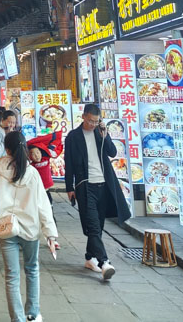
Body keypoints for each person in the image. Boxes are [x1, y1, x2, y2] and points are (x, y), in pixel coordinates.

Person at [0, 131, 59, 322]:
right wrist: (50, 233)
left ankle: (17, 319)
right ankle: (32, 314)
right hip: (30, 227)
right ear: (25, 147)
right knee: (32, 269)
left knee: (11, 276)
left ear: (6, 149)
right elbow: (43, 205)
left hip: (5, 228)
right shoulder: (32, 173)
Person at [63, 104, 130, 281]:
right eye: (91, 121)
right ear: (84, 117)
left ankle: (89, 257)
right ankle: (104, 262)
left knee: (98, 225)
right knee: (92, 224)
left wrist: (105, 135)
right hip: (85, 186)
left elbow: (112, 152)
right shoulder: (73, 137)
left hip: (104, 184)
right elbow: (68, 163)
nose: (93, 124)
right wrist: (69, 187)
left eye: (96, 121)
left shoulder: (100, 133)